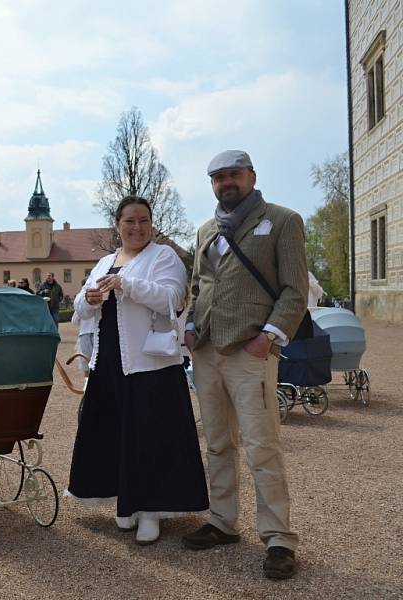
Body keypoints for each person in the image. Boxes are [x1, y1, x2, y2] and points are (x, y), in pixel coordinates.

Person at [182, 151, 308, 580]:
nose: (226, 183)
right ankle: (222, 521)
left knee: (262, 446)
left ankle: (278, 539)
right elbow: (199, 286)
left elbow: (296, 289)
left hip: (250, 352)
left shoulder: (283, 220)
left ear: (252, 176)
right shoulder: (204, 230)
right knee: (217, 442)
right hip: (206, 351)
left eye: (233, 175)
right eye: (217, 177)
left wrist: (268, 338)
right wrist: (191, 326)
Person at [67, 196, 209, 545]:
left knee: (151, 437)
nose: (137, 227)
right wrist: (90, 299)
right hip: (109, 363)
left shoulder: (164, 257)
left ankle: (151, 510)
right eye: (129, 221)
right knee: (118, 435)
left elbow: (172, 298)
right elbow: (78, 307)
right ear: (117, 224)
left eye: (143, 220)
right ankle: (126, 503)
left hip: (151, 364)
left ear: (152, 223)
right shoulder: (104, 262)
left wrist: (126, 285)